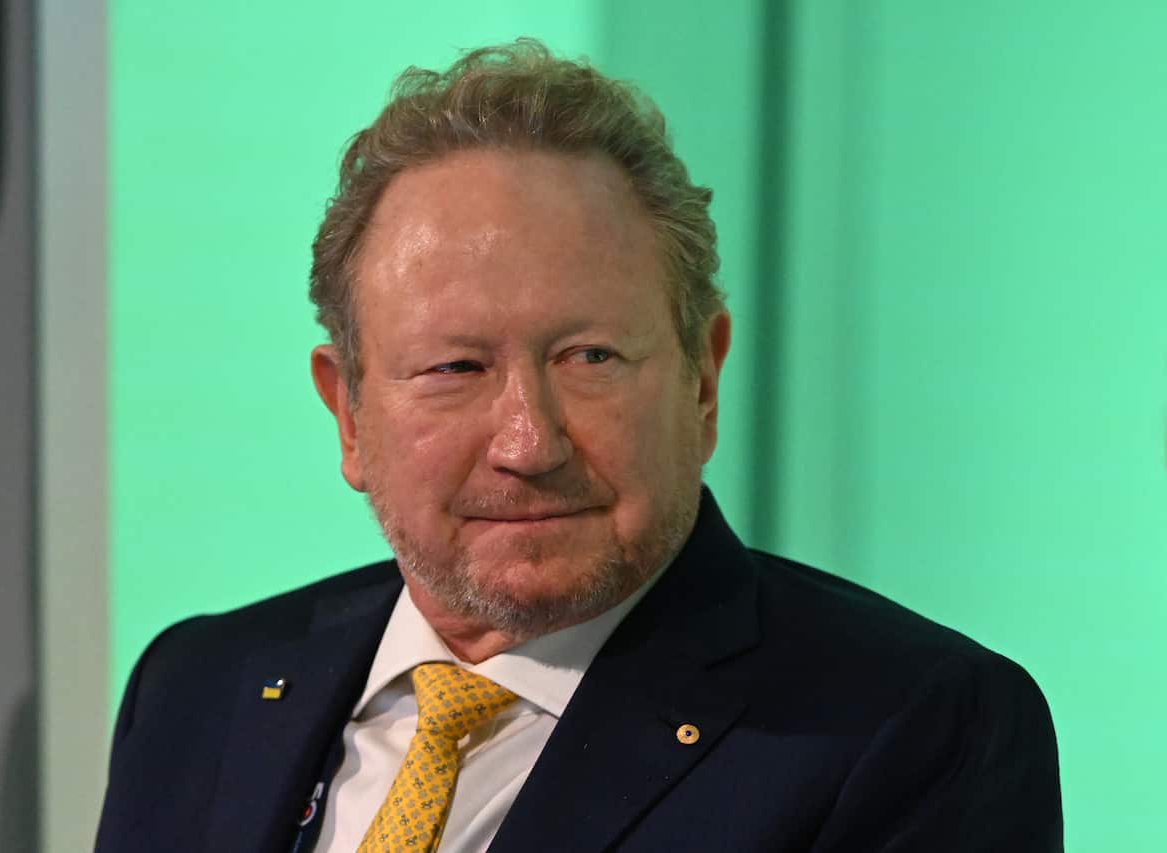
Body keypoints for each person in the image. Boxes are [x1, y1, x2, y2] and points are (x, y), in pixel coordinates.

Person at [94, 40, 1062, 852]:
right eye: (454, 368)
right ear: (347, 414)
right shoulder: (199, 688)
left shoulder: (910, 728)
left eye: (588, 356)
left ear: (701, 377)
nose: (526, 441)